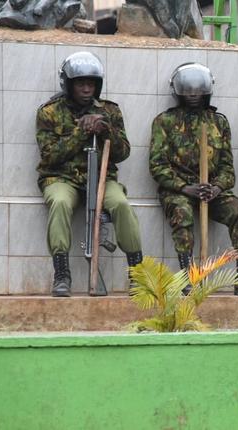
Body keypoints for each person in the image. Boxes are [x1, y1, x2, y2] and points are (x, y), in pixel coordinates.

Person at [36, 51, 143, 297]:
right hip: (61, 177)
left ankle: (137, 273)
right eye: (80, 83)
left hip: (102, 176)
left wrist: (106, 130)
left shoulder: (110, 110)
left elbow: (123, 152)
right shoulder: (49, 112)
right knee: (60, 203)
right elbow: (50, 156)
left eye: (91, 83)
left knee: (121, 204)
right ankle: (62, 274)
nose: (86, 88)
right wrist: (80, 132)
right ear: (68, 84)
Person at [149, 63, 238, 295]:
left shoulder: (218, 123)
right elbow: (157, 166)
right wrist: (185, 188)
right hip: (179, 191)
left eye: (198, 91)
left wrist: (217, 188)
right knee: (183, 214)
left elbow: (228, 169)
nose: (193, 96)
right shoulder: (164, 122)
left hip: (212, 190)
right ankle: (189, 276)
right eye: (188, 91)